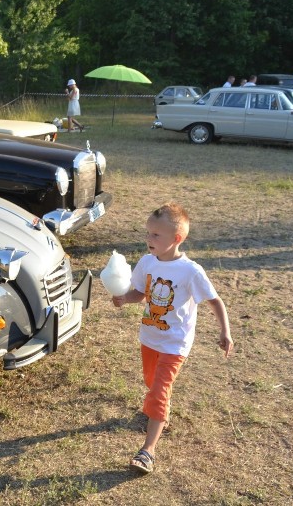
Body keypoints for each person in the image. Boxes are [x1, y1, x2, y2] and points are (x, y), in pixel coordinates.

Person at [111, 202, 233, 475]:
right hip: (149, 337)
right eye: (148, 233)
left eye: (156, 235)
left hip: (175, 343)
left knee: (159, 392)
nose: (148, 239)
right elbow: (140, 293)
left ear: (176, 239)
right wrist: (123, 299)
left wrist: (225, 331)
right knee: (152, 384)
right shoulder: (146, 262)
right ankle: (159, 408)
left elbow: (215, 302)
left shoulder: (190, 271)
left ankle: (147, 451)